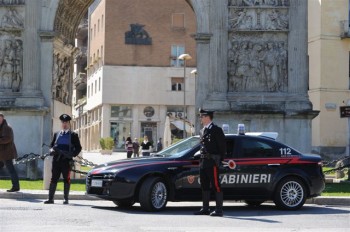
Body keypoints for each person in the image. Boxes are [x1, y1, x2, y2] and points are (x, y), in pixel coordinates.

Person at [194, 109, 227, 217]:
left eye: (202, 116)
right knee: (204, 185)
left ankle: (219, 210)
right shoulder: (202, 130)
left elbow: (222, 147)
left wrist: (220, 160)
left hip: (212, 162)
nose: (200, 118)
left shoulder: (216, 130)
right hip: (203, 162)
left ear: (207, 117)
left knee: (216, 185)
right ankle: (205, 208)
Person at [44, 114, 82, 205]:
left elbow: (78, 148)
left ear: (69, 123)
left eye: (66, 122)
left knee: (66, 179)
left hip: (66, 161)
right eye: (63, 122)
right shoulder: (57, 134)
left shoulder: (73, 135)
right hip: (56, 160)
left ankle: (66, 199)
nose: (64, 124)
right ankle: (50, 199)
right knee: (54, 179)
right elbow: (51, 145)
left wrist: (72, 154)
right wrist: (52, 150)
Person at [0, 113, 20, 192]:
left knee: (11, 169)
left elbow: (8, 139)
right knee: (10, 169)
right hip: (2, 153)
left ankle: (16, 186)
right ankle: (16, 186)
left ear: (2, 118)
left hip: (7, 152)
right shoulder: (2, 127)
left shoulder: (7, 127)